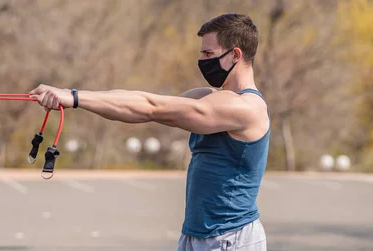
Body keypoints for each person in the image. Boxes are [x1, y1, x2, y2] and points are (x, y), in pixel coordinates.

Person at [29, 13, 270, 251]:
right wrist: (72, 96)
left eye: (208, 54)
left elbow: (151, 107)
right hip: (198, 234)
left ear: (235, 55)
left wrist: (74, 97)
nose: (202, 61)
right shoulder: (208, 97)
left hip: (230, 238)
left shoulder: (246, 108)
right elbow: (143, 106)